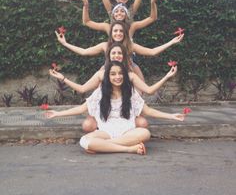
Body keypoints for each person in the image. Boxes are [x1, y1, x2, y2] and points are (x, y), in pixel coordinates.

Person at [46, 61, 185, 155]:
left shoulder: (130, 92)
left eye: (120, 73)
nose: (117, 77)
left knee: (145, 133)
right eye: (113, 74)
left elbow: (148, 111)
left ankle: (103, 146)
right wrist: (57, 114)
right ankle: (129, 149)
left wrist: (171, 116)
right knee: (84, 140)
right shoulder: (101, 92)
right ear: (108, 76)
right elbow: (81, 109)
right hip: (106, 131)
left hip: (127, 131)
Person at [49, 42, 178, 131]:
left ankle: (117, 138)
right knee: (87, 126)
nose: (116, 55)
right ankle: (106, 133)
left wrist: (166, 76)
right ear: (108, 55)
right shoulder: (101, 74)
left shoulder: (130, 75)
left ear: (124, 56)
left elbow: (149, 92)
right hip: (105, 110)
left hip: (123, 112)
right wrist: (63, 78)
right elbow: (82, 90)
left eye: (119, 53)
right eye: (113, 53)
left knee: (143, 124)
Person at [55, 20, 184, 80]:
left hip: (128, 73)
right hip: (109, 73)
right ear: (111, 33)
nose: (118, 33)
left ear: (125, 33)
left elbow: (152, 51)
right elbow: (84, 51)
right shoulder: (105, 45)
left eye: (121, 31)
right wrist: (65, 43)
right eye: (115, 31)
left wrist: (171, 42)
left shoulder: (130, 45)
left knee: (140, 92)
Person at [78, 0, 161, 38]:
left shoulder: (132, 27)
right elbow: (87, 22)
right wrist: (85, 4)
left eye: (122, 11)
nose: (119, 13)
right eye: (116, 11)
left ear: (127, 14)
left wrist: (152, 3)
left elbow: (152, 18)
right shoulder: (108, 27)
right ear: (112, 14)